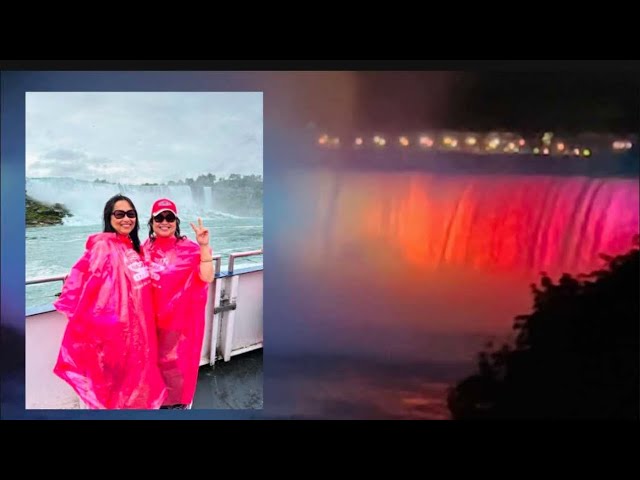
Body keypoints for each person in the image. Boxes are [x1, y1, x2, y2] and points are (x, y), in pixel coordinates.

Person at [53, 194, 167, 409]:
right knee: (115, 393)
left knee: (137, 388)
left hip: (139, 334)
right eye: (119, 213)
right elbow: (83, 278)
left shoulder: (132, 247)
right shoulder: (103, 245)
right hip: (116, 336)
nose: (126, 218)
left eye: (131, 214)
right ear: (109, 217)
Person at [143, 198, 214, 409]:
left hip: (177, 325)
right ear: (152, 221)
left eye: (169, 217)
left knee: (175, 371)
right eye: (159, 217)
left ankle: (176, 407)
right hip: (149, 325)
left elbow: (207, 276)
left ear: (176, 221)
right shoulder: (143, 248)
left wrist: (204, 246)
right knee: (150, 373)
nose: (164, 222)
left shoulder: (189, 249)